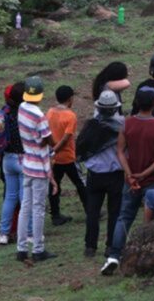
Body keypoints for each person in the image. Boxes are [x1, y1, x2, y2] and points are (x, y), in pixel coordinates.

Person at [101, 89, 154, 274]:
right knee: (153, 218)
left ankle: (114, 255)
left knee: (124, 217)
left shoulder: (126, 124)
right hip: (151, 180)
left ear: (137, 102)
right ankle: (150, 253)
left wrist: (130, 174)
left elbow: (120, 151)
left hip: (130, 180)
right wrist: (144, 174)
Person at [16, 76, 59, 262]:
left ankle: (21, 248)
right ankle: (39, 249)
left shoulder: (21, 108)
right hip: (39, 168)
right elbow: (49, 139)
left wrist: (40, 140)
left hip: (27, 164)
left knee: (25, 207)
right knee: (39, 208)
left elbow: (37, 138)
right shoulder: (39, 115)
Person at [79, 90, 125, 258]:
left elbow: (81, 148)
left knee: (92, 212)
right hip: (116, 175)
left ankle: (90, 247)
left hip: (95, 175)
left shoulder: (91, 125)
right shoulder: (122, 125)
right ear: (115, 108)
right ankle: (111, 246)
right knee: (114, 212)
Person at [47, 85, 87, 226]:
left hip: (54, 159)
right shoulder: (70, 116)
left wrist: (52, 151)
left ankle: (55, 215)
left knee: (54, 185)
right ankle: (90, 210)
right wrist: (56, 150)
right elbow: (66, 137)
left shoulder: (50, 112)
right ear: (70, 99)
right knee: (80, 183)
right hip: (68, 156)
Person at [0, 82, 29, 244]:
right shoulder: (26, 114)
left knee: (10, 197)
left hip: (7, 158)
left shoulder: (4, 113)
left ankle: (4, 233)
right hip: (23, 158)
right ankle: (28, 233)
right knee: (25, 198)